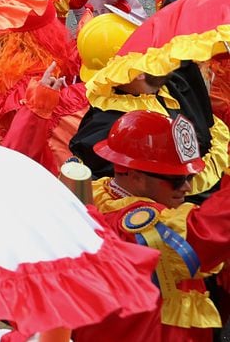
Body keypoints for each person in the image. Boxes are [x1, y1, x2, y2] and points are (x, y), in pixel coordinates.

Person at [78, 111, 230, 341]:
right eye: (177, 180)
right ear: (137, 176)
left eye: (190, 177)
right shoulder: (134, 224)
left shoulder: (98, 191)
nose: (188, 188)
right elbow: (200, 236)